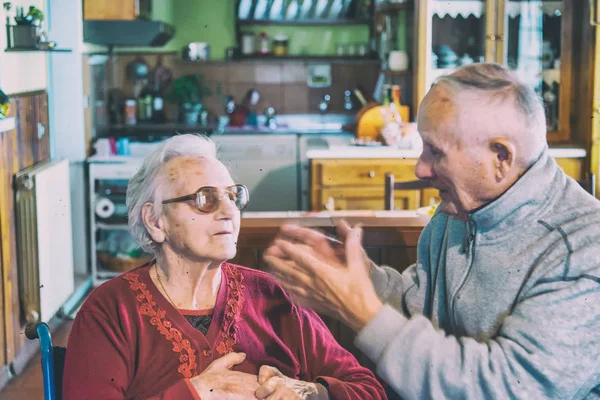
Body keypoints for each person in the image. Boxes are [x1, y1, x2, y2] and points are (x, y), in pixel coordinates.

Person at [263, 63, 600, 399]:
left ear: (500, 156)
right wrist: (362, 277)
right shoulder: (458, 211)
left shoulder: (584, 249)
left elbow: (508, 387)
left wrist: (363, 311)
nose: (420, 168)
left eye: (435, 151)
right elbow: (420, 306)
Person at [62, 134, 387, 399]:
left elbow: (368, 390)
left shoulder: (269, 296)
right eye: (205, 199)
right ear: (155, 221)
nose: (229, 211)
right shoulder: (110, 311)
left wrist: (310, 392)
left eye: (234, 196)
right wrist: (197, 392)